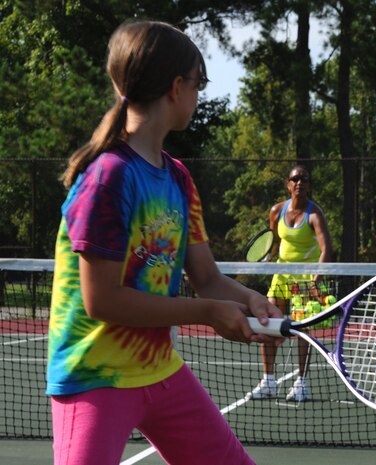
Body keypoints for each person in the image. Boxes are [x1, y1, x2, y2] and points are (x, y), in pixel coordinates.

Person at [46, 20, 281, 465]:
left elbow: (207, 278)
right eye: (199, 82)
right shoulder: (107, 177)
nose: (199, 93)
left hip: (159, 370)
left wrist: (252, 300)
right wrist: (208, 313)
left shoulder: (178, 178)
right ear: (177, 87)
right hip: (93, 375)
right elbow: (102, 301)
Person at [249, 165, 333, 402]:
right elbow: (274, 241)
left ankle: (301, 383)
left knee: (302, 331)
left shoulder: (315, 215)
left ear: (308, 185)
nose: (299, 182)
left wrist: (316, 280)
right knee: (267, 323)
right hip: (281, 276)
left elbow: (326, 249)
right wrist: (268, 256)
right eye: (295, 179)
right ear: (288, 184)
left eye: (304, 179)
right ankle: (268, 381)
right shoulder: (276, 211)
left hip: (306, 279)